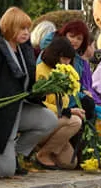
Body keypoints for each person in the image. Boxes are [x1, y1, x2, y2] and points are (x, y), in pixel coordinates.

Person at [0, 7, 58, 178]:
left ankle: (13, 153)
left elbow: (28, 82)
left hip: (18, 108)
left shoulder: (23, 48)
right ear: (9, 28)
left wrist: (41, 90)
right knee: (4, 172)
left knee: (49, 120)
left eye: (28, 28)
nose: (26, 33)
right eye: (22, 29)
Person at [32, 37, 84, 169]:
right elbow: (40, 102)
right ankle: (43, 154)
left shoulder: (63, 72)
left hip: (57, 120)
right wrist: (67, 111)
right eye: (65, 59)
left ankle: (49, 147)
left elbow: (64, 102)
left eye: (69, 60)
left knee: (70, 163)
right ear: (57, 56)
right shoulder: (41, 70)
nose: (68, 63)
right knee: (75, 121)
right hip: (43, 120)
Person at [57, 19, 100, 123]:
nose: (75, 41)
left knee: (90, 103)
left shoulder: (78, 59)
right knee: (88, 104)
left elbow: (77, 81)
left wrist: (84, 90)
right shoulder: (55, 53)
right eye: (71, 36)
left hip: (74, 96)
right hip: (59, 99)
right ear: (64, 35)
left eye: (79, 39)